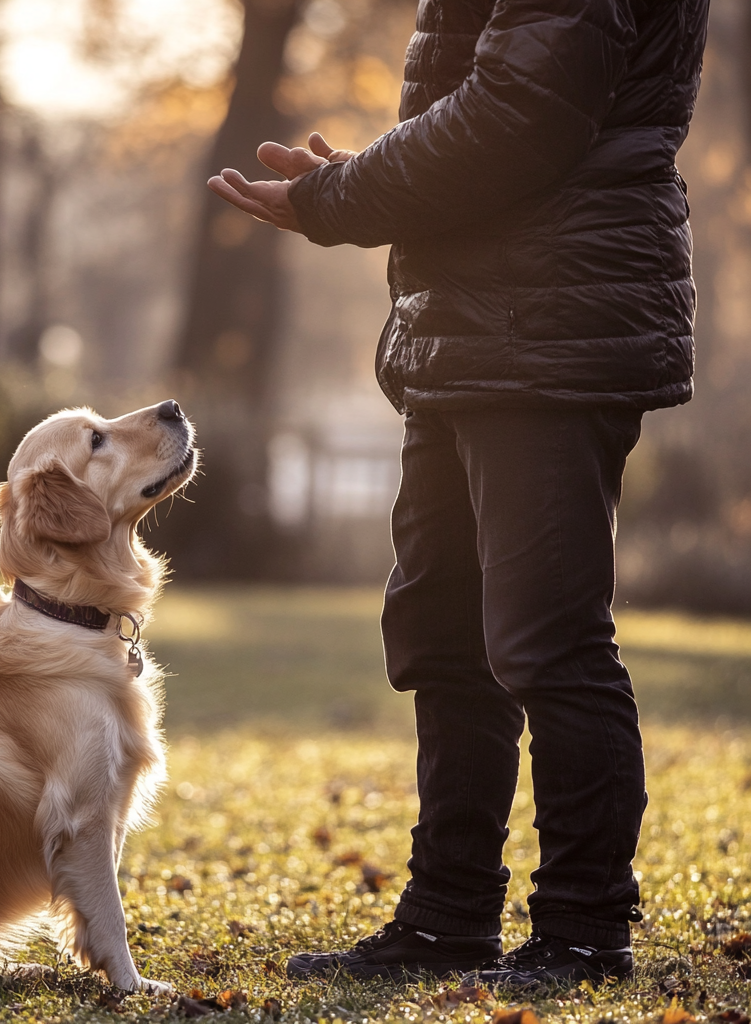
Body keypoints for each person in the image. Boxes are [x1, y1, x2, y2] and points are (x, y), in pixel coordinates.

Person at [208, 0, 710, 987]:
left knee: (547, 641)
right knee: (444, 632)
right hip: (475, 318)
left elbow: (518, 117)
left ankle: (581, 930)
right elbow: (491, 103)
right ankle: (445, 914)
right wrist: (357, 184)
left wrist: (341, 196)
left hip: (550, 319)